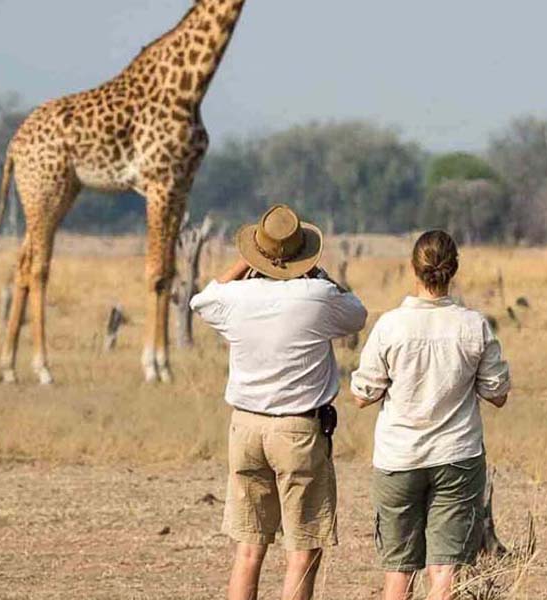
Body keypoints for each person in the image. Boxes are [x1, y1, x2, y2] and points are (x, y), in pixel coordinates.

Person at [191, 204, 368, 600]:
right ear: (304, 253)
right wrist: (318, 273)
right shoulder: (318, 295)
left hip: (246, 427)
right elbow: (357, 313)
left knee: (249, 547)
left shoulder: (236, 298)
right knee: (302, 550)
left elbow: (201, 301)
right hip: (299, 431)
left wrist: (242, 264)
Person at [350, 230, 511, 600]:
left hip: (398, 457)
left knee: (399, 571)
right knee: (445, 570)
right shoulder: (474, 325)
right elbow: (497, 394)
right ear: (453, 269)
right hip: (457, 455)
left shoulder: (390, 325)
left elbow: (363, 395)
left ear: (413, 269)